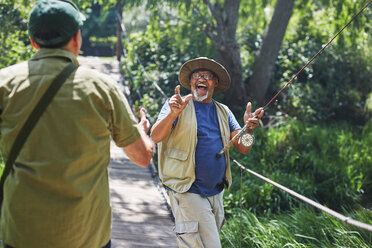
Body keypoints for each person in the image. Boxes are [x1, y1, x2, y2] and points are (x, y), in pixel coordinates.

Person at [0, 1, 154, 247]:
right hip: (85, 234)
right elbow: (141, 157)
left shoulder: (4, 83)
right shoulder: (103, 88)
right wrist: (141, 133)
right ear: (76, 38)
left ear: (33, 41)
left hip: (23, 232)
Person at [151, 57, 264, 247]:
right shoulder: (176, 105)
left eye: (207, 76)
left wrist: (249, 130)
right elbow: (155, 136)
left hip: (216, 193)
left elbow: (243, 147)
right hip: (187, 190)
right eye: (197, 75)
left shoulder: (224, 111)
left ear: (215, 83)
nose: (201, 79)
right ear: (190, 82)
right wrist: (172, 114)